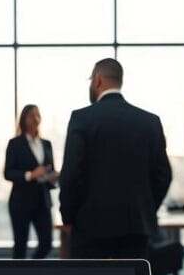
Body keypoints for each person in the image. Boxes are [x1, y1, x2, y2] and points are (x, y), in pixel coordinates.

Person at [59, 58, 172, 259]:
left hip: (89, 227)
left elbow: (70, 175)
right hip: (136, 226)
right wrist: (144, 209)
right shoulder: (149, 122)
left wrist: (68, 217)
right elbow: (163, 176)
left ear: (98, 79)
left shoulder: (82, 119)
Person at [4, 105, 58, 259]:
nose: (35, 119)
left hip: (43, 201)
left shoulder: (47, 144)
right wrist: (30, 175)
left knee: (47, 243)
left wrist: (53, 178)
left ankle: (31, 271)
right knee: (20, 245)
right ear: (23, 120)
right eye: (31, 115)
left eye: (38, 115)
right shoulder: (15, 144)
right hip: (21, 202)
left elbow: (50, 169)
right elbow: (8, 173)